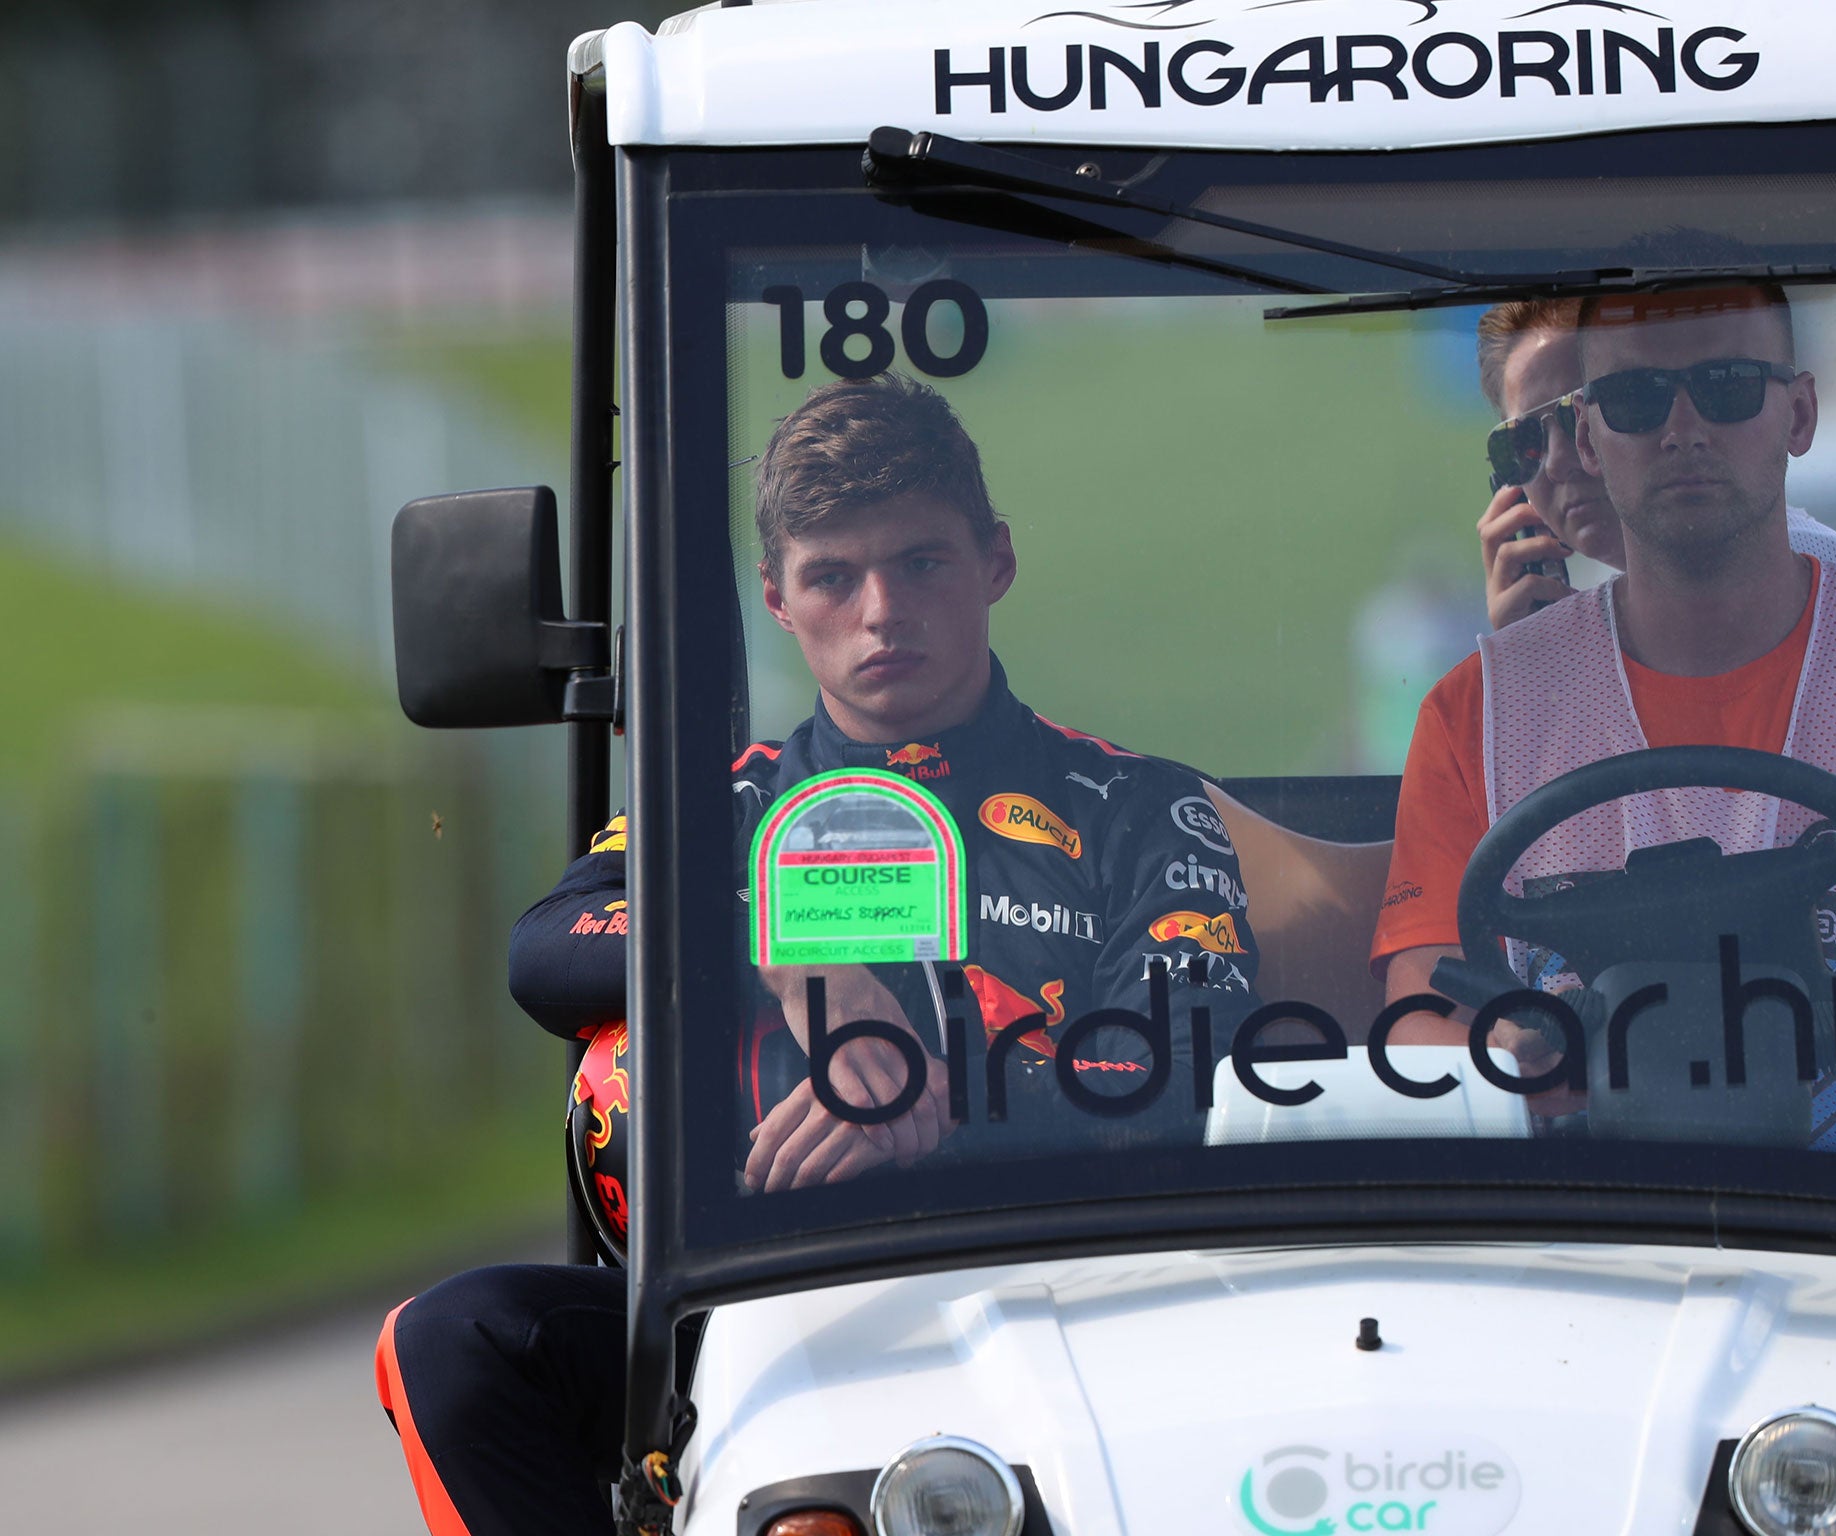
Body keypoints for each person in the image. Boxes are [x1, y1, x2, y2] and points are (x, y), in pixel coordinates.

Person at [373, 372, 1261, 1536]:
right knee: (452, 1341)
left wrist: (940, 1111)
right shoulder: (718, 805)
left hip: (1066, 1295)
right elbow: (546, 951)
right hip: (743, 1318)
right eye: (833, 577)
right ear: (776, 601)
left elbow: (1193, 1066)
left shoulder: (1142, 807)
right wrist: (785, 954)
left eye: (922, 563)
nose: (882, 611)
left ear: (994, 561)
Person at [1375, 283, 1836, 1158]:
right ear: (1592, 438)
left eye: (1728, 386)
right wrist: (1507, 1063)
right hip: (1583, 1238)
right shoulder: (1476, 704)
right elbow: (1422, 1031)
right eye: (1634, 401)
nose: (1682, 430)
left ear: (1799, 414)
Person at [1474, 296, 1836, 633]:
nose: (1559, 462)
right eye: (1522, 442)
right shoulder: (1586, 629)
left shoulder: (1824, 584)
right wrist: (1528, 666)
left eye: (1626, 401)